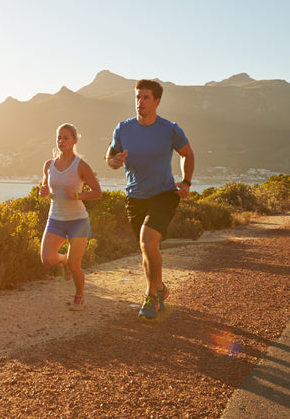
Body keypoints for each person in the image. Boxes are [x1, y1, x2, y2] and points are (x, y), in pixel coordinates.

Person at [106, 79, 194, 320]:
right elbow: (110, 155)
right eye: (137, 97)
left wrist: (186, 182)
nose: (140, 102)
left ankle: (150, 296)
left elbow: (187, 153)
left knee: (148, 242)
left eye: (145, 98)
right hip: (135, 196)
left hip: (164, 193)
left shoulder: (170, 129)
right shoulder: (123, 128)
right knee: (147, 248)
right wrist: (113, 162)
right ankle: (160, 289)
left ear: (157, 101)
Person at [40, 123, 101, 311]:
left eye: (66, 138)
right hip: (55, 219)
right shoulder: (49, 165)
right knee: (47, 259)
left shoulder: (81, 166)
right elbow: (45, 189)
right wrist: (42, 191)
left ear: (74, 141)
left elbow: (97, 192)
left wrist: (78, 196)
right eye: (59, 137)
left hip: (78, 221)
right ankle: (63, 261)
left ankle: (79, 296)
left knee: (76, 266)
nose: (61, 141)